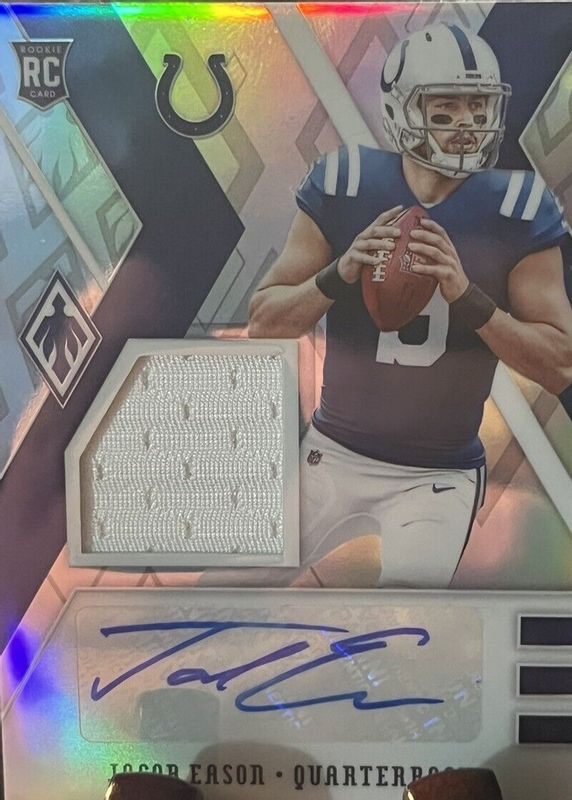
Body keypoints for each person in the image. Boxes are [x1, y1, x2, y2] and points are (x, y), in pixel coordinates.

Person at [248, 23, 572, 588]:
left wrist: (467, 295)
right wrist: (338, 273)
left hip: (437, 475)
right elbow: (264, 322)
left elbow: (559, 363)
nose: (468, 123)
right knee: (221, 592)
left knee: (408, 620)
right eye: (446, 107)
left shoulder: (518, 206)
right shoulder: (346, 181)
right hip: (332, 452)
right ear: (401, 109)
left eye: (478, 106)